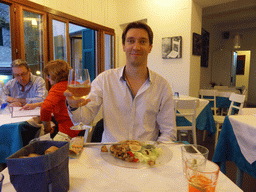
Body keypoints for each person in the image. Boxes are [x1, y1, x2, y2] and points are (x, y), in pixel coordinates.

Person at [65, 21, 176, 142]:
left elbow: (168, 133)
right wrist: (74, 107)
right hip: (108, 155)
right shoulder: (105, 79)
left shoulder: (163, 86)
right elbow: (83, 119)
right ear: (123, 46)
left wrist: (153, 154)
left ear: (150, 47)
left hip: (145, 156)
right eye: (131, 41)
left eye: (142, 41)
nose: (136, 47)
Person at [22, 60, 81, 139]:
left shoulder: (57, 88)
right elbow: (61, 101)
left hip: (67, 132)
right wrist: (36, 105)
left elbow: (45, 108)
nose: (46, 78)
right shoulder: (76, 84)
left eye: (48, 75)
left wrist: (47, 129)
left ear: (55, 75)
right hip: (80, 129)